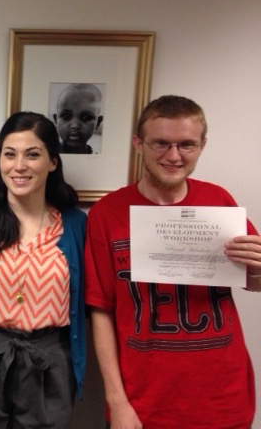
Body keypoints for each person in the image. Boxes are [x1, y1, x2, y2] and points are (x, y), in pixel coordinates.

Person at [85, 95, 261, 428]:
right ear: (139, 143)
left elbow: (253, 281)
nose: (173, 156)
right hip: (144, 401)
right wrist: (116, 401)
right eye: (161, 144)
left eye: (186, 145)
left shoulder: (219, 201)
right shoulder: (106, 213)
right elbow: (100, 309)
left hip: (223, 396)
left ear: (202, 145)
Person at [0, 111, 87, 428]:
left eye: (33, 154)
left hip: (50, 359)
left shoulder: (76, 225)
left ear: (52, 162)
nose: (19, 166)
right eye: (9, 154)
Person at [53, 83, 103, 154]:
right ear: (56, 120)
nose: (75, 125)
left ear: (98, 123)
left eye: (86, 117)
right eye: (66, 117)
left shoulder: (99, 159)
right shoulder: (48, 156)